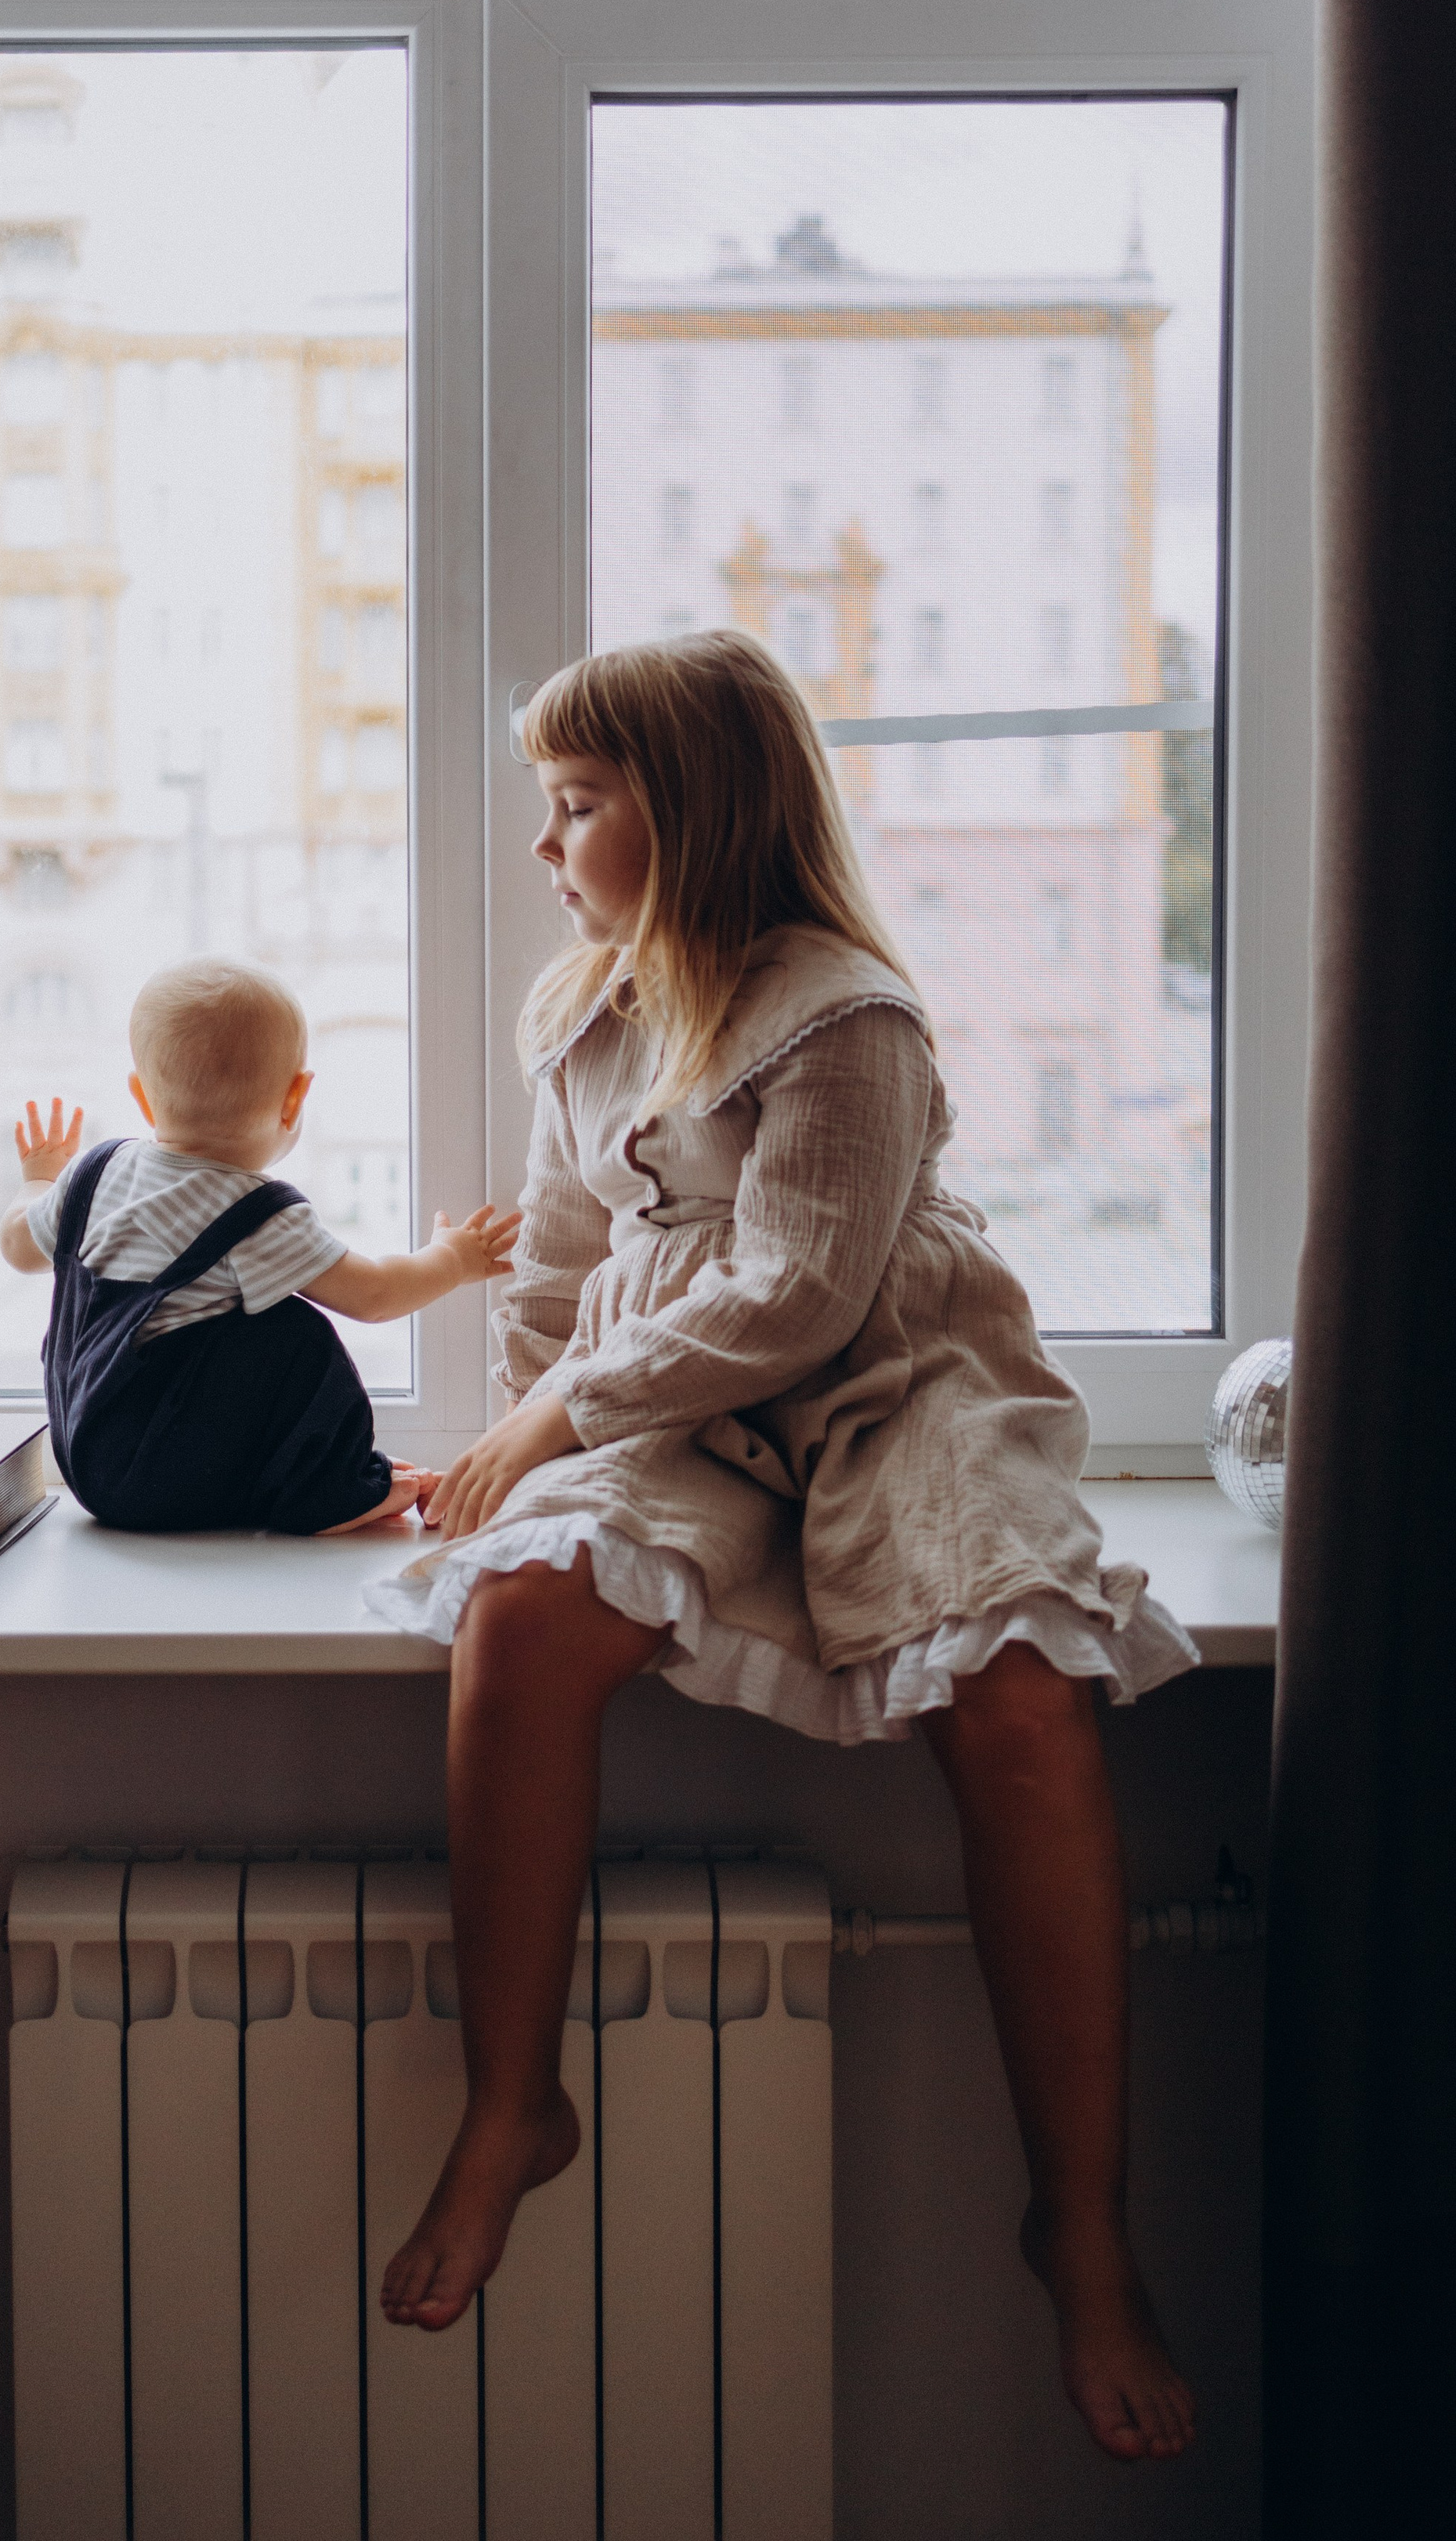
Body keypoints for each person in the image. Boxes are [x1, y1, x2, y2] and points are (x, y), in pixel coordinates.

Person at [365, 631, 1200, 2466]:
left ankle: (1075, 2212)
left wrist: (570, 1404)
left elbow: (800, 1292)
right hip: (671, 1397)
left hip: (886, 1374)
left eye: (576, 805)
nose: (544, 842)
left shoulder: (840, 1011)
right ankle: (514, 2099)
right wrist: (511, 1434)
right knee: (520, 1606)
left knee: (1013, 1687)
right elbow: (566, 1269)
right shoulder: (581, 1016)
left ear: (697, 815)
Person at [1, 956, 518, 1534]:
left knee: (222, 1333)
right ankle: (332, 1490)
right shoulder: (257, 1215)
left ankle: (314, 1473)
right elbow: (374, 1296)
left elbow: (19, 1248)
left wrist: (40, 1178)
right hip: (163, 1476)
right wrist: (452, 1257)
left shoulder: (95, 1174)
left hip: (83, 1460)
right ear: (296, 1097)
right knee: (293, 1329)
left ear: (142, 1097)